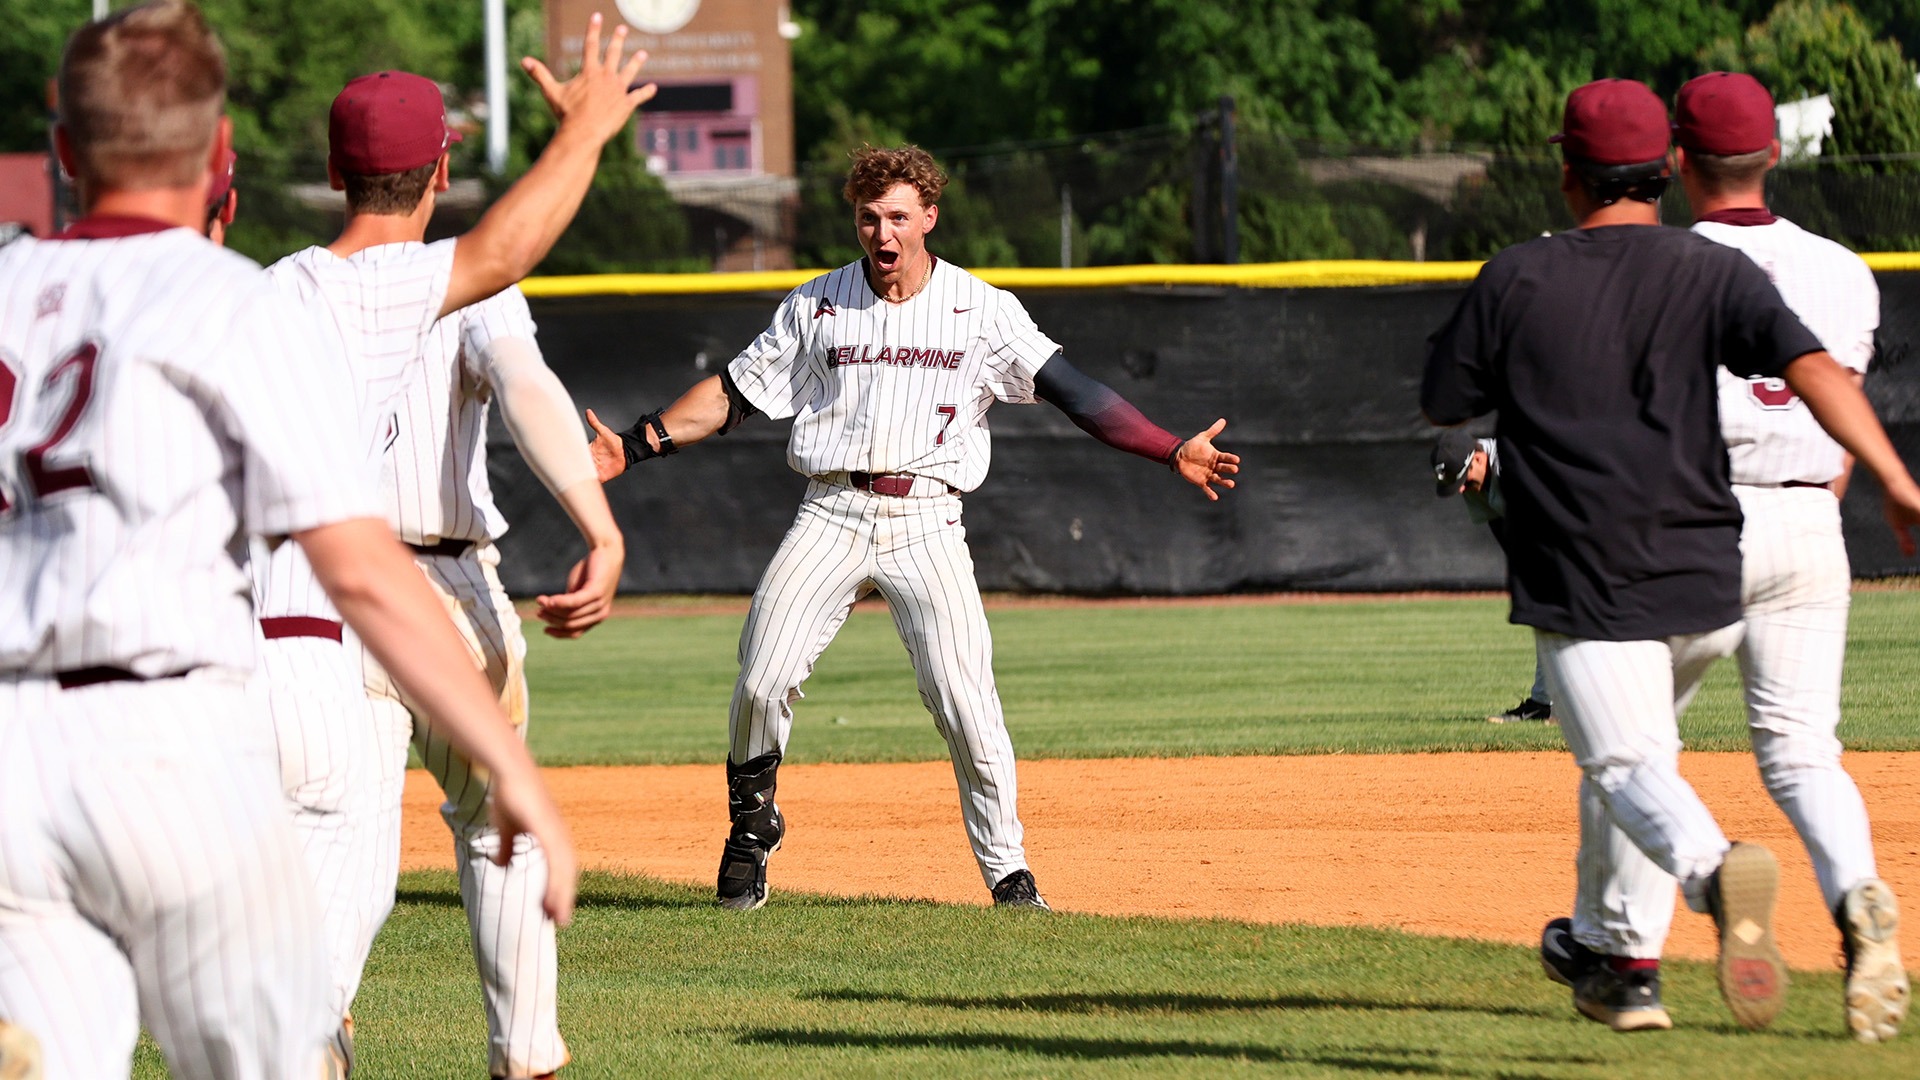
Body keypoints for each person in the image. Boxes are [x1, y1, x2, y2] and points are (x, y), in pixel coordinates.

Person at [0, 4, 577, 1077]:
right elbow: (360, 567)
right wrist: (506, 759)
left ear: (66, 153)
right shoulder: (243, 307)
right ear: (221, 155)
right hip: (171, 739)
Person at [588, 145, 1239, 913]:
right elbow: (733, 396)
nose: (883, 231)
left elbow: (1074, 390)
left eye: (898, 215)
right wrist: (635, 443)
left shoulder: (981, 309)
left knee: (965, 700)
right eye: (869, 217)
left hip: (928, 519)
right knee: (762, 677)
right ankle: (752, 828)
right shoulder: (816, 304)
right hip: (830, 510)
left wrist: (1170, 448)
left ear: (929, 216)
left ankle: (1009, 871)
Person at [1422, 78, 1920, 1034]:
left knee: (1629, 759)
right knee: (1800, 752)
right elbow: (1817, 372)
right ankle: (1812, 912)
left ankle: (1663, 924)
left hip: (1631, 533)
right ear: (1672, 167)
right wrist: (1889, 474)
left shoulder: (1560, 270)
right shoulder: (1793, 270)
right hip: (1771, 530)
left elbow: (1449, 397)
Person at [248, 23, 646, 1078]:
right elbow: (526, 389)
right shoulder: (460, 280)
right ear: (443, 166)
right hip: (451, 593)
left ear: (334, 171)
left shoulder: (279, 290)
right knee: (496, 825)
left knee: (346, 838)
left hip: (317, 603)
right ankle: (525, 1059)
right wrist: (598, 528)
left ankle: (316, 1020)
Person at [1431, 429, 1552, 723]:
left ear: (1478, 458)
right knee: (1547, 616)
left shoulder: (1517, 464)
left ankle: (1563, 705)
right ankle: (1543, 704)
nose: (1460, 489)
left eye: (1462, 479)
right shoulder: (1474, 484)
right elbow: (1501, 527)